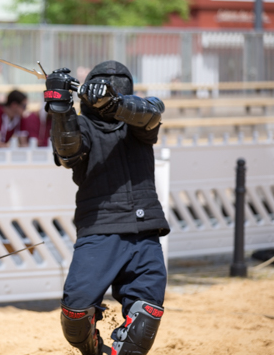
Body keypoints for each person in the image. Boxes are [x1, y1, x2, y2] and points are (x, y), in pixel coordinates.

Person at [43, 61, 169, 355]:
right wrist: (60, 106)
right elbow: (68, 152)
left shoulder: (137, 124)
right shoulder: (81, 125)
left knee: (147, 312)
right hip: (99, 229)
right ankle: (96, 350)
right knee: (75, 312)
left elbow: (154, 110)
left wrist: (115, 103)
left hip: (145, 230)